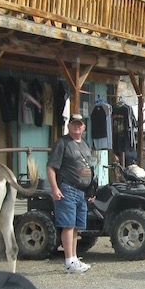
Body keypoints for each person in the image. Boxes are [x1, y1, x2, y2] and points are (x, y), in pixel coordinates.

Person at [47, 113, 94, 273]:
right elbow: (51, 166)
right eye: (74, 124)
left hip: (82, 191)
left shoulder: (85, 144)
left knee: (75, 227)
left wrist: (90, 189)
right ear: (69, 126)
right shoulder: (62, 143)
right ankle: (68, 261)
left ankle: (74, 258)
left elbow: (90, 168)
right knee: (67, 225)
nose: (77, 126)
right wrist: (55, 188)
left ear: (84, 127)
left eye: (80, 124)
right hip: (67, 188)